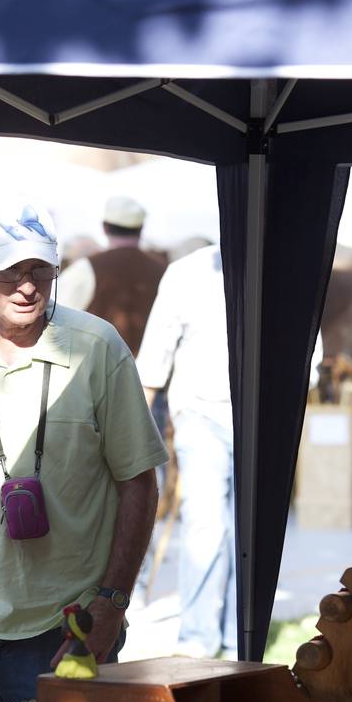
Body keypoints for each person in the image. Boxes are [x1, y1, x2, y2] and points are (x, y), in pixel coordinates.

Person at [0, 203, 166, 702]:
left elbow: (138, 480)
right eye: (10, 271)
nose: (27, 287)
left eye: (40, 271)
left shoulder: (98, 348)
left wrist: (112, 604)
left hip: (68, 623)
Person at [135, 245, 236, 658]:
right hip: (201, 414)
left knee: (252, 532)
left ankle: (240, 639)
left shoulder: (285, 266)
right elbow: (154, 360)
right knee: (205, 525)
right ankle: (198, 638)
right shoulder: (186, 273)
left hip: (262, 425)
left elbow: (310, 354)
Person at [54, 195, 166, 356]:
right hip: (148, 374)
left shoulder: (86, 268)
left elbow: (58, 318)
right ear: (141, 229)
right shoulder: (163, 269)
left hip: (99, 372)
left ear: (105, 228)